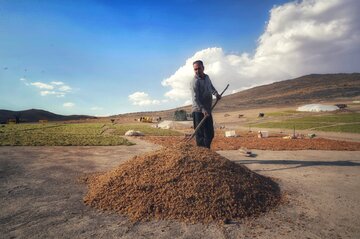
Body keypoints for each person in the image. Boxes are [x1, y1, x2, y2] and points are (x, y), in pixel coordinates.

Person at [190, 60, 221, 148]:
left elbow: (211, 87)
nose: (197, 71)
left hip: (208, 110)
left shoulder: (207, 77)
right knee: (200, 135)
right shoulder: (194, 82)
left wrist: (216, 94)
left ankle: (206, 151)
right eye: (195, 69)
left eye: (199, 68)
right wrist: (203, 110)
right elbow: (195, 99)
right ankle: (201, 153)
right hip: (198, 111)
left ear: (203, 68)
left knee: (210, 133)